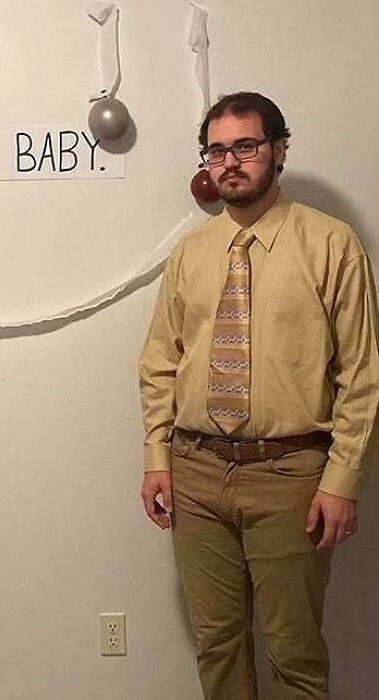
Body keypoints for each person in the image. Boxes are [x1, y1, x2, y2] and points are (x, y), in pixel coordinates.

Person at [138, 92, 378, 699]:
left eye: (245, 146)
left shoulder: (332, 245)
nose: (230, 162)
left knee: (294, 651)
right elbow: (161, 363)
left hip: (290, 475)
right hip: (195, 472)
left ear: (279, 150)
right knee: (218, 645)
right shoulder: (190, 254)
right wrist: (157, 458)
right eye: (216, 150)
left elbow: (362, 375)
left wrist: (342, 482)